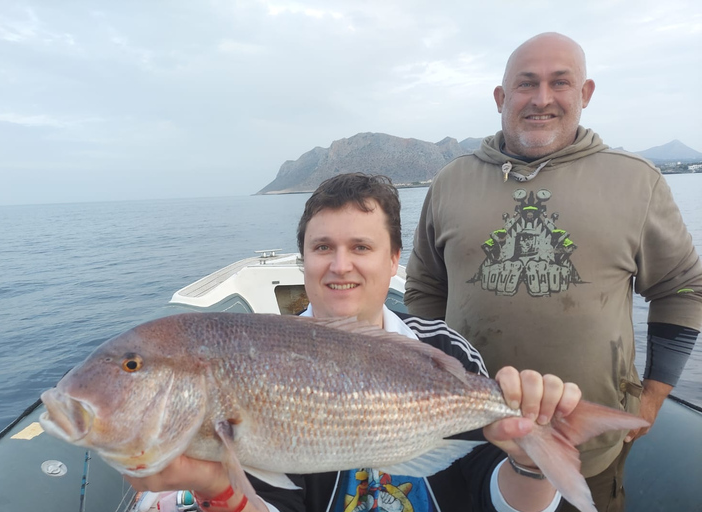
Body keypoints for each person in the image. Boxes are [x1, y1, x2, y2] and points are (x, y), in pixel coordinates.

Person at [127, 173, 590, 512]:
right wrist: (215, 486)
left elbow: (490, 495)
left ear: (393, 261)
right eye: (323, 247)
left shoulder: (446, 352)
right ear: (303, 259)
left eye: (361, 248)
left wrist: (531, 464)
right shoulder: (258, 362)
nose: (340, 265)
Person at [404, 32, 702, 512]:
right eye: (526, 84)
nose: (542, 99)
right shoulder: (451, 181)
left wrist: (651, 398)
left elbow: (683, 289)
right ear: (502, 98)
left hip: (588, 455)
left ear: (584, 94)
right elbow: (423, 288)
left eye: (559, 82)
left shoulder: (635, 181)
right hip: (464, 443)